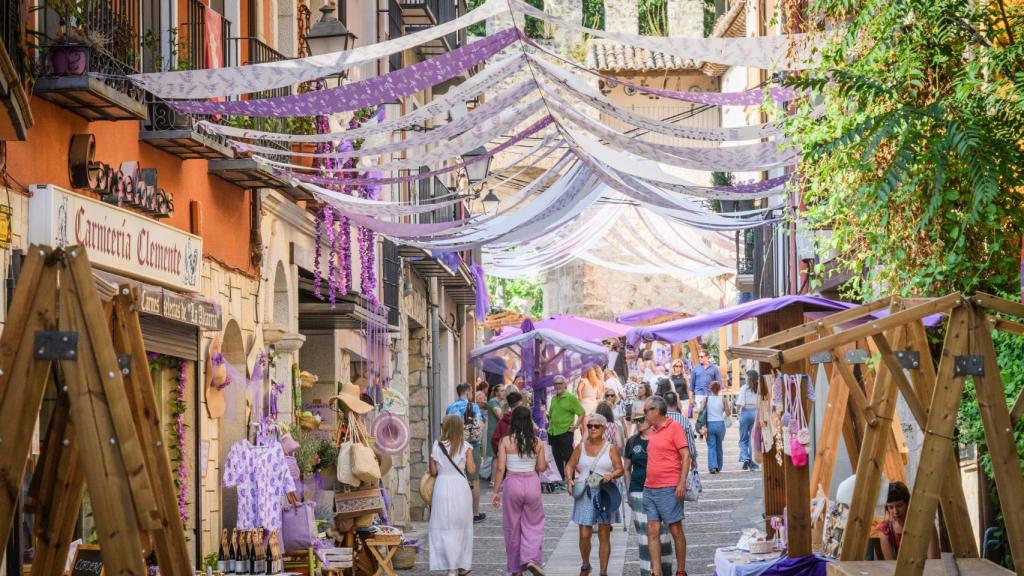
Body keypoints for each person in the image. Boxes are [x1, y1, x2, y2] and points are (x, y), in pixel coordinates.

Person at [565, 413, 624, 576]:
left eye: (596, 426)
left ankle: (603, 571)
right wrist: (569, 479)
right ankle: (585, 563)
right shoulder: (581, 447)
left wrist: (611, 475)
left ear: (604, 428)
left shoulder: (610, 448)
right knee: (585, 533)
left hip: (604, 493)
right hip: (585, 492)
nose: (592, 429)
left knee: (604, 533)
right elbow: (570, 464)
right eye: (589, 426)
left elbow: (620, 469)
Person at [492, 406, 548, 576]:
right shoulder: (537, 442)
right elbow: (541, 467)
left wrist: (495, 492)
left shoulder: (505, 441)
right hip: (532, 483)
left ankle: (516, 569)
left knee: (512, 526)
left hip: (513, 484)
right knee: (534, 524)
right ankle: (531, 559)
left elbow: (501, 468)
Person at [624, 403, 673, 576]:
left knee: (664, 534)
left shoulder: (661, 437)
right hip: (639, 490)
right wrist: (629, 491)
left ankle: (664, 570)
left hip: (662, 489)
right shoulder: (632, 442)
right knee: (645, 536)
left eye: (642, 418)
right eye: (636, 419)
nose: (639, 422)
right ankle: (647, 571)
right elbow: (626, 469)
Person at [643, 396, 690, 576]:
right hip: (650, 487)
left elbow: (686, 455)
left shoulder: (674, 427)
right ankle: (657, 570)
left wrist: (681, 482)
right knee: (652, 530)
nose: (645, 414)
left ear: (657, 410)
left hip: (669, 487)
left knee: (675, 529)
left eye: (647, 410)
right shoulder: (653, 430)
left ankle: (680, 570)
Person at [429, 414, 476, 575]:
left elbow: (433, 471)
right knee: (461, 527)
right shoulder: (466, 446)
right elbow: (471, 470)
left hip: (442, 486)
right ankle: (461, 565)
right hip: (460, 488)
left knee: (445, 526)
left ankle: (451, 567)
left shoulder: (437, 445)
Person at [446, 383, 487, 522]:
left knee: (456, 478)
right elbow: (480, 425)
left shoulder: (451, 408)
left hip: (455, 446)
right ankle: (474, 513)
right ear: (468, 392)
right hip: (472, 446)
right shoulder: (474, 407)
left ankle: (457, 513)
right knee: (474, 479)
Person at [878, 481, 940, 560]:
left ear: (908, 503)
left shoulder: (925, 523)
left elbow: (933, 560)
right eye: (891, 507)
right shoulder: (886, 530)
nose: (895, 511)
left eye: (899, 506)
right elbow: (891, 565)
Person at [547, 375, 585, 488]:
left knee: (568, 457)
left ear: (565, 385)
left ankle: (570, 480)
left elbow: (582, 412)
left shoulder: (571, 398)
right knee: (555, 457)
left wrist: (576, 426)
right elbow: (552, 413)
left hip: (565, 431)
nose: (558, 386)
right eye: (556, 384)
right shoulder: (554, 398)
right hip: (553, 432)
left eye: (560, 383)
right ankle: (560, 480)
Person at [701, 381, 730, 474]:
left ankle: (713, 466)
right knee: (719, 446)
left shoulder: (706, 399)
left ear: (710, 389)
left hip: (710, 424)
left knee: (711, 446)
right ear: (719, 389)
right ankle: (719, 466)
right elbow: (728, 413)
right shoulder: (723, 399)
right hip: (720, 424)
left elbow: (700, 411)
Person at [735, 370, 761, 471]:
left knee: (743, 439)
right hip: (755, 413)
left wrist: (737, 413)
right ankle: (753, 464)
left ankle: (745, 457)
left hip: (745, 413)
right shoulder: (759, 388)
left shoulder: (744, 388)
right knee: (753, 439)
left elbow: (740, 403)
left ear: (748, 378)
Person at [492, 391, 524, 455]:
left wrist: (502, 452)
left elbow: (494, 439)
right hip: (522, 455)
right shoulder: (524, 420)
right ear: (520, 404)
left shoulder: (503, 420)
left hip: (506, 456)